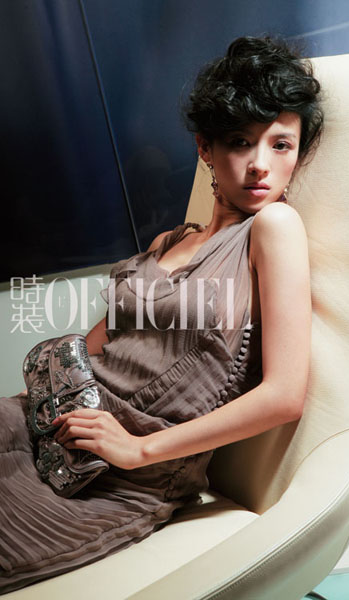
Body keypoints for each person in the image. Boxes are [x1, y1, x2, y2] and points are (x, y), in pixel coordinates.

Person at [0, 34, 323, 593]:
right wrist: (39, 395)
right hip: (51, 423)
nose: (259, 166)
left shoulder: (273, 228)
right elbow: (92, 348)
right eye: (240, 142)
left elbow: (284, 395)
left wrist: (139, 448)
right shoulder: (169, 241)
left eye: (281, 145)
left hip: (119, 474)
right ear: (205, 148)